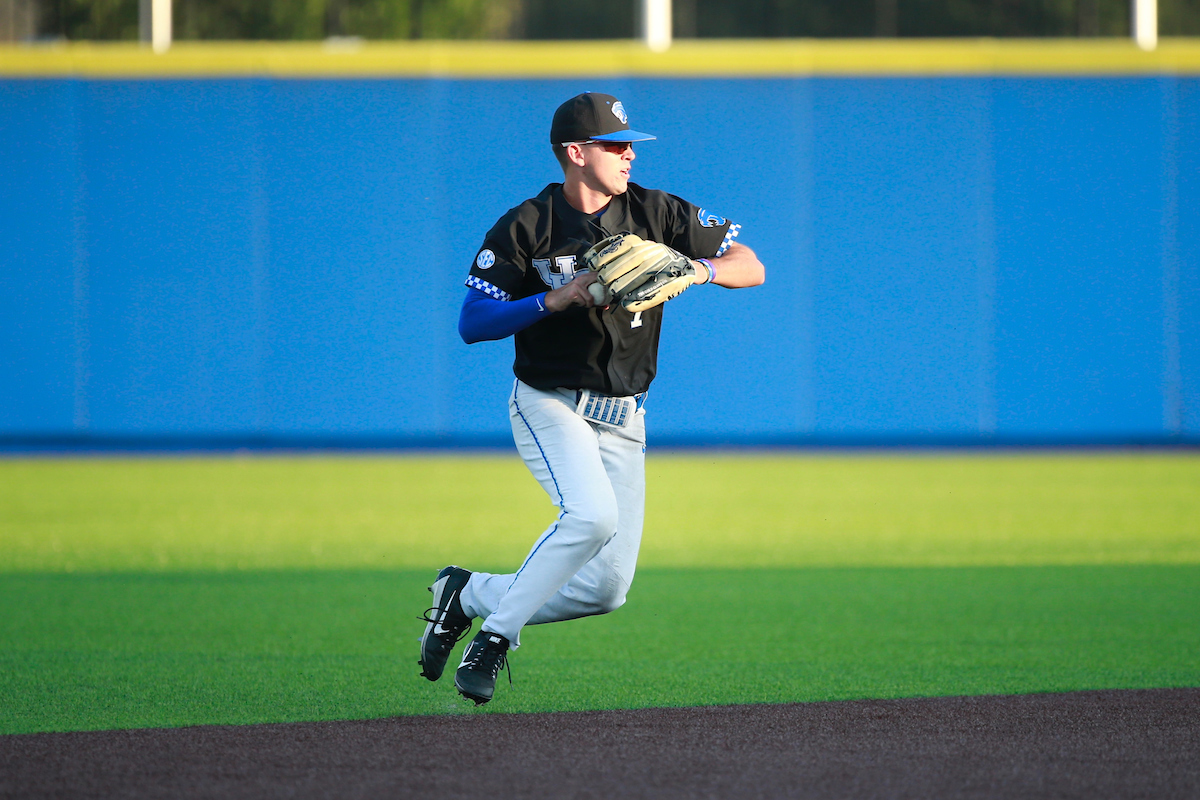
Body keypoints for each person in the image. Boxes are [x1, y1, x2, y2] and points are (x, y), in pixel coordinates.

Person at [419, 92, 765, 705]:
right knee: (591, 517)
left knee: (605, 590)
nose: (629, 154)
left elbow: (750, 263)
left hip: (625, 415)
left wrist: (699, 270)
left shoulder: (658, 212)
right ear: (576, 153)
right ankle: (495, 638)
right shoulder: (527, 225)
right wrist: (551, 299)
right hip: (549, 401)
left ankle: (468, 595)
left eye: (631, 144)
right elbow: (472, 321)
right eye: (615, 144)